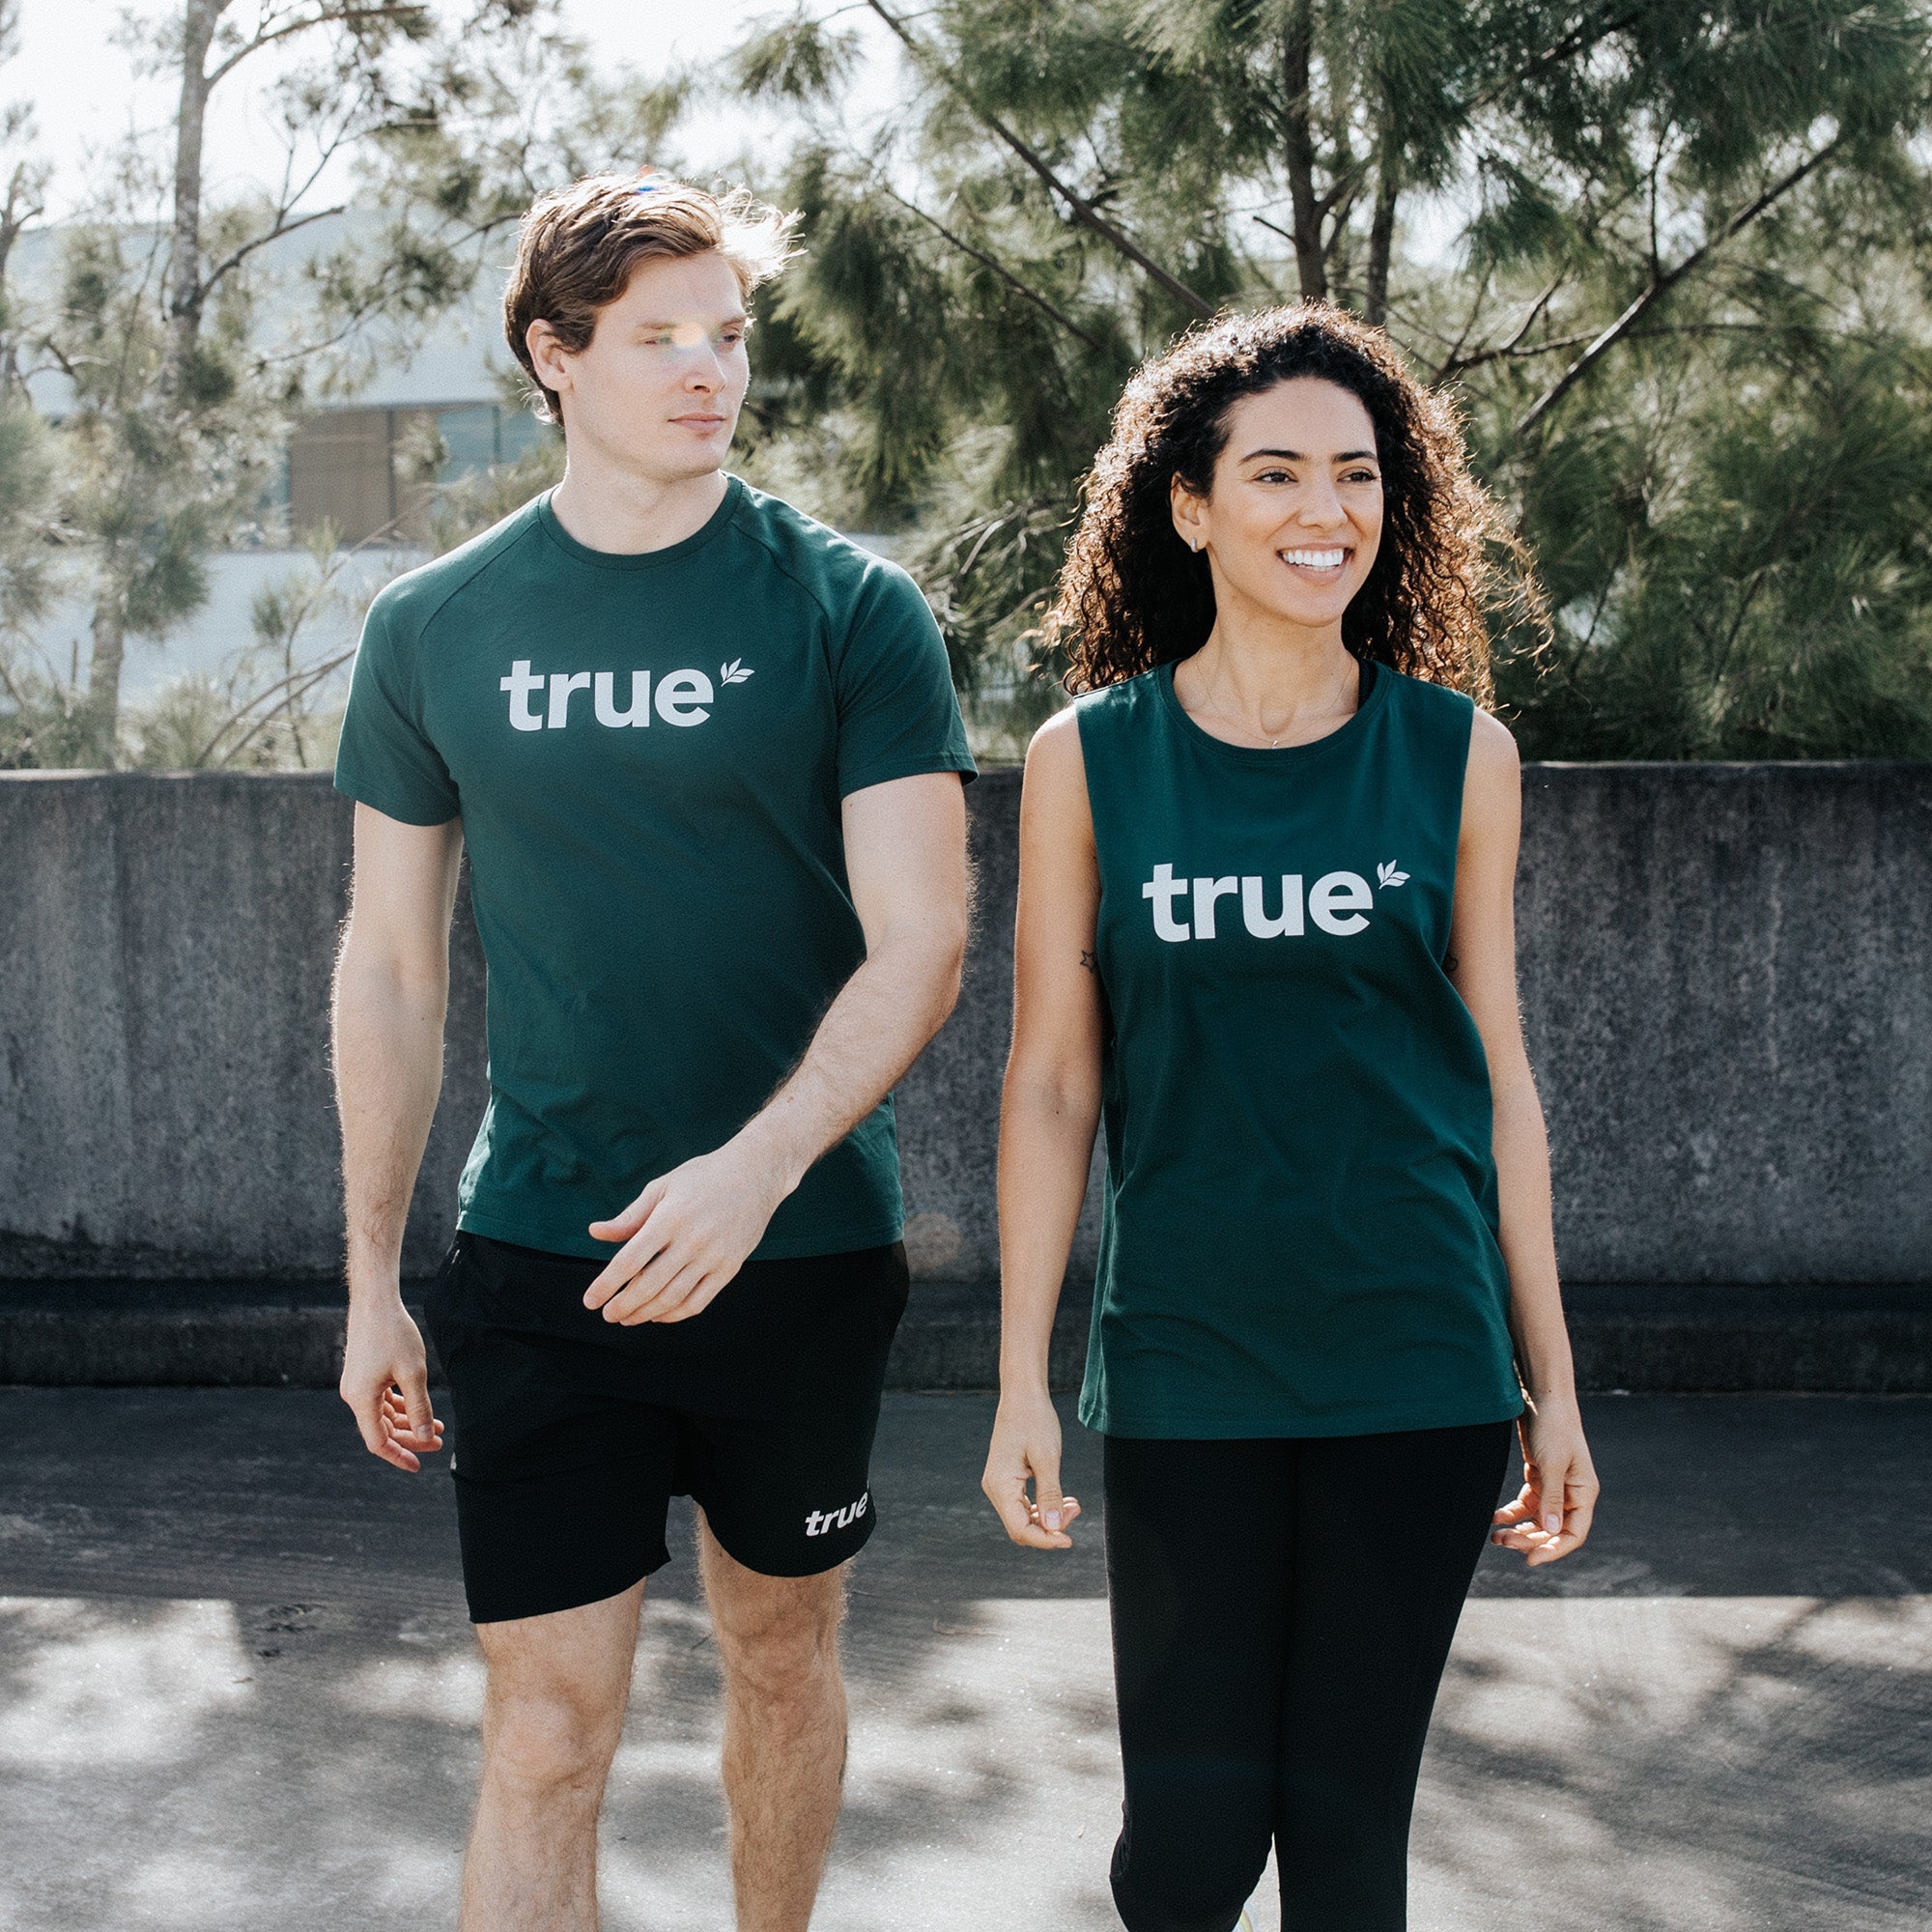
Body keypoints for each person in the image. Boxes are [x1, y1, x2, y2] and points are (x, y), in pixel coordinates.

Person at [331, 172, 975, 1932]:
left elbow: (923, 938)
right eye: (658, 338)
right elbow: (389, 963)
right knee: (545, 1728)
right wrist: (373, 1275)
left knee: (781, 1655)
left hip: (802, 1247)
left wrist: (756, 1173)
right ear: (554, 357)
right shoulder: (433, 628)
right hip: (546, 1257)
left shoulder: (852, 609)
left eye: (730, 334)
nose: (710, 371)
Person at [982, 303, 1600, 1932]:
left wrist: (1554, 1379)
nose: (1324, 511)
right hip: (1190, 1358)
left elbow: (1499, 1081)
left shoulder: (1458, 752)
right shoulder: (1088, 762)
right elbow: (1052, 1080)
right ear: (1188, 506)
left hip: (1416, 1357)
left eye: (1357, 475)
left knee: (1345, 1856)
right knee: (1186, 1854)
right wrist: (1019, 1376)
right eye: (1275, 474)